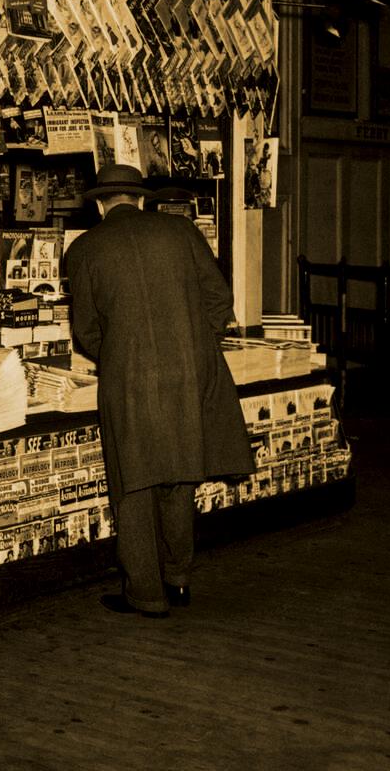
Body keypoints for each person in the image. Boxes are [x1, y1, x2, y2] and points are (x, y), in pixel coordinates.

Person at [64, 164, 253, 618]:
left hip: (128, 380)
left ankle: (146, 594)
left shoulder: (85, 247)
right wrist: (192, 344)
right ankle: (179, 578)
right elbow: (219, 301)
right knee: (179, 479)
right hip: (189, 374)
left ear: (99, 205)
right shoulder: (181, 232)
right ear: (141, 199)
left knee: (133, 486)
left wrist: (123, 355)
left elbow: (86, 330)